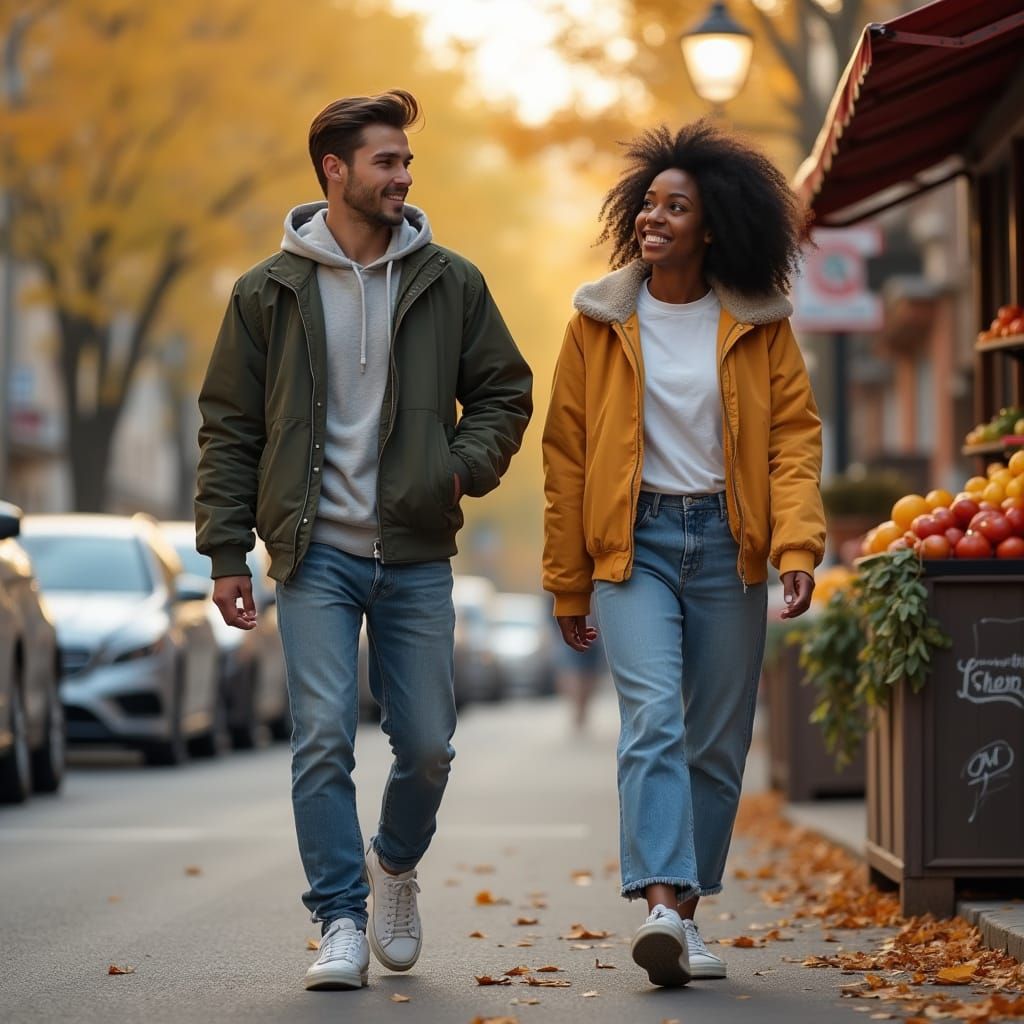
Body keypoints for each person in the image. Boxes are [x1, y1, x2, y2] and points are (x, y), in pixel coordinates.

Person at [195, 89, 532, 992]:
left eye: (407, 162)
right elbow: (229, 427)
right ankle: (340, 918)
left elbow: (504, 390)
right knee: (321, 742)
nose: (404, 176)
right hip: (314, 555)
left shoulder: (448, 280)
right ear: (334, 171)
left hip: (415, 549)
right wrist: (228, 552)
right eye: (387, 161)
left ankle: (394, 861)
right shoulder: (266, 291)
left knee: (426, 745)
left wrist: (455, 470)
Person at [541, 120, 823, 988]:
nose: (654, 220)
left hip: (728, 545)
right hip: (636, 547)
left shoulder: (758, 326)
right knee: (655, 718)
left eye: (677, 207)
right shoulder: (598, 320)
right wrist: (567, 584)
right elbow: (566, 453)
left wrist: (796, 544)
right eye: (649, 205)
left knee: (718, 738)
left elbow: (792, 442)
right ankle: (662, 906)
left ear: (713, 227)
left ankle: (686, 915)